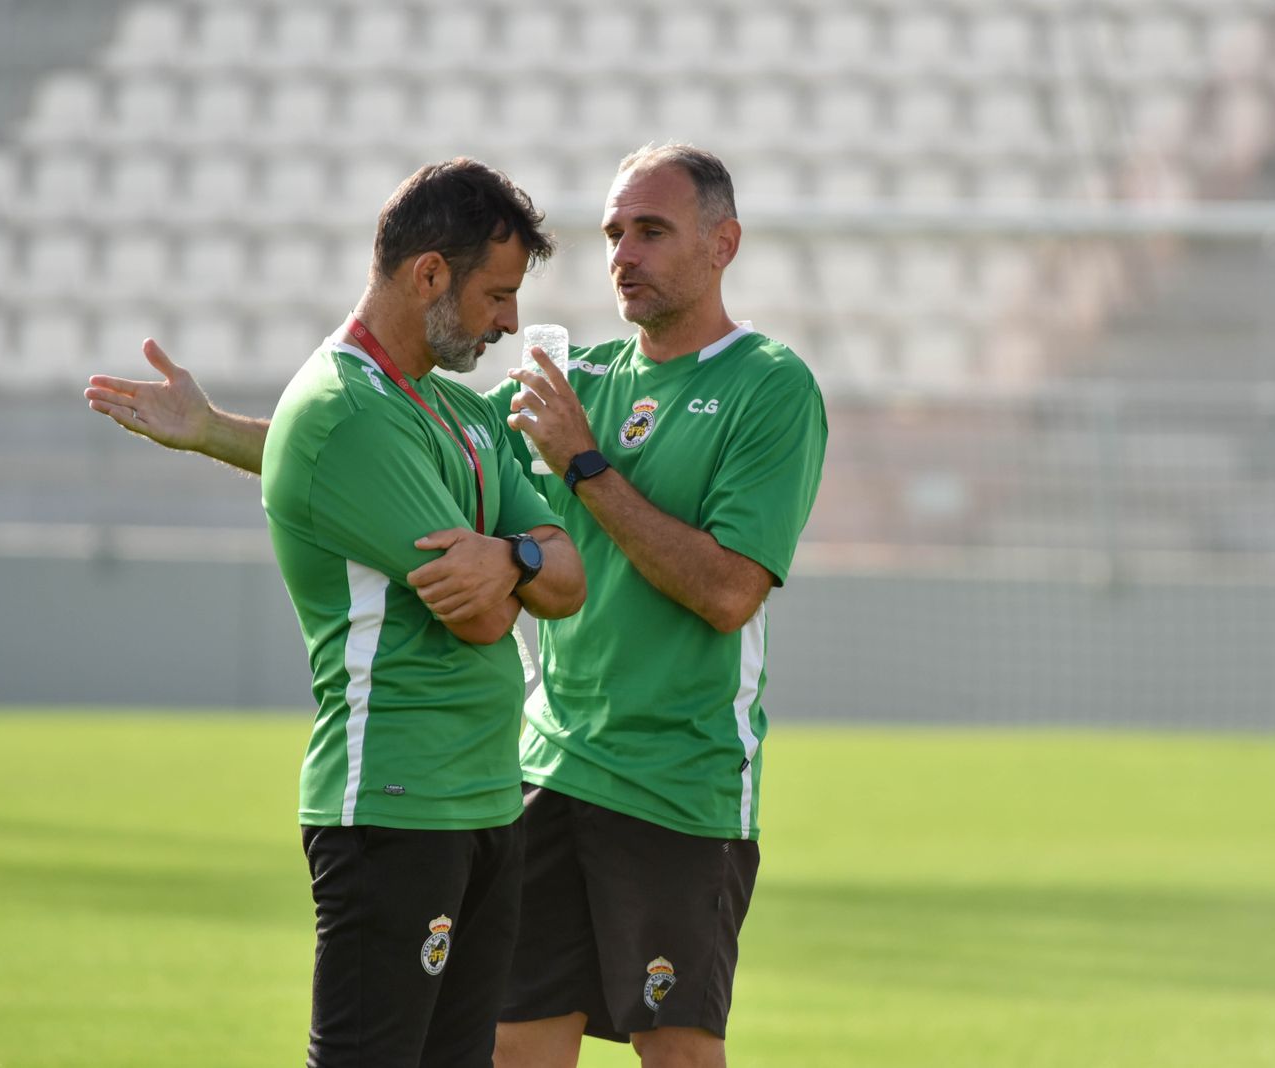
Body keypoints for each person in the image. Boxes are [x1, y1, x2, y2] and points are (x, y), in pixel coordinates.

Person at [84, 142, 827, 1068]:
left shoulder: (768, 383)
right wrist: (217, 433)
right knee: (510, 1053)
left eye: (651, 231)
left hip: (678, 782)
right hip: (547, 770)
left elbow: (727, 593)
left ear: (723, 244)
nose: (623, 254)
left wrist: (582, 468)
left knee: (678, 1054)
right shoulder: (573, 381)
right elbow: (394, 456)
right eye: (613, 233)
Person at [172, 157, 586, 1068]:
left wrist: (512, 557)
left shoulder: (458, 411)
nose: (510, 322)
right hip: (395, 805)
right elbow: (482, 620)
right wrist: (522, 561)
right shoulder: (346, 412)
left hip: (488, 801)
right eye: (497, 294)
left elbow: (566, 581)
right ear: (429, 273)